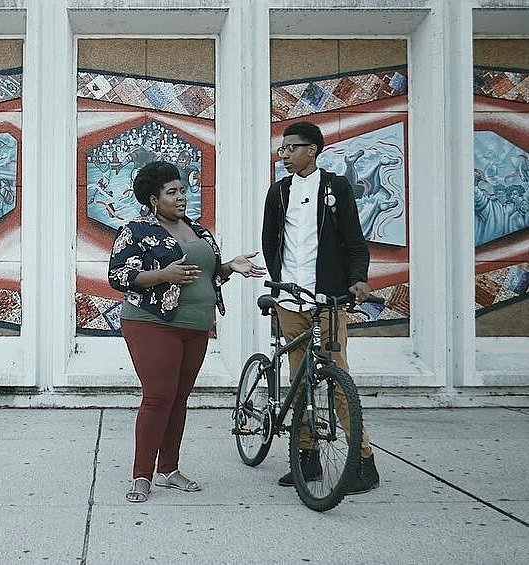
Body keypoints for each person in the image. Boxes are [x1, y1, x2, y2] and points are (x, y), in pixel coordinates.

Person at [108, 161, 265, 503]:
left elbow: (207, 273)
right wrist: (162, 275)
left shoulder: (198, 231)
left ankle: (169, 469)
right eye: (172, 192)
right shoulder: (136, 230)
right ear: (154, 199)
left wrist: (229, 266)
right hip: (152, 323)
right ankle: (142, 475)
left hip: (196, 326)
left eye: (182, 190)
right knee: (158, 397)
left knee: (179, 398)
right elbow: (118, 276)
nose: (181, 197)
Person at [262, 121, 380, 494]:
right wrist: (280, 281)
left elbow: (355, 241)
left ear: (311, 149)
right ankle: (307, 456)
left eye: (291, 148)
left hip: (327, 299)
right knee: (299, 379)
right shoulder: (279, 192)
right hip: (289, 299)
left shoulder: (336, 187)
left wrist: (357, 279)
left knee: (337, 376)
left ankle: (363, 461)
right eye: (282, 149)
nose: (284, 155)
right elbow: (270, 241)